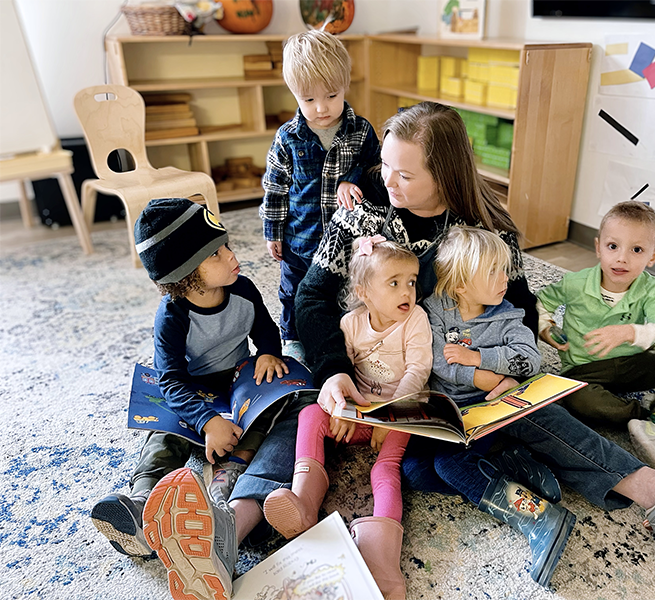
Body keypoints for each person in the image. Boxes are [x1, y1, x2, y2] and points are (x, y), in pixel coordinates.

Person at [294, 101, 655, 578]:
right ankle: (625, 488)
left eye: (405, 175)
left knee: (528, 410)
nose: (388, 182)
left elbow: (518, 307)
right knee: (428, 466)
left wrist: (500, 368)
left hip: (452, 368)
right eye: (386, 167)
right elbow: (310, 299)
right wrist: (332, 369)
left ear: (445, 173)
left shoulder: (488, 227)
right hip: (375, 373)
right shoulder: (362, 213)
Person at [90, 197, 288, 563]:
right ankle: (142, 506)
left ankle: (219, 502)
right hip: (190, 391)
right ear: (185, 275)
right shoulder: (172, 316)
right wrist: (207, 421)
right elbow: (171, 382)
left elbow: (266, 331)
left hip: (236, 382)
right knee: (163, 436)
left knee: (265, 420)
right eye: (214, 254)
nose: (231, 255)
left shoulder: (243, 290)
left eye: (225, 244)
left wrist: (268, 354)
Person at [263, 235, 432, 599]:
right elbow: (344, 373)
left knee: (384, 470)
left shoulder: (415, 320)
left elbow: (417, 372)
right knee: (311, 414)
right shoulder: (351, 324)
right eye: (394, 283)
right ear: (364, 292)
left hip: (399, 415)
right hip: (360, 412)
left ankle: (382, 559)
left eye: (411, 282)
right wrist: (342, 411)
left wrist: (390, 418)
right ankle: (304, 503)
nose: (407, 291)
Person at [420, 225, 575, 587]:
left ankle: (538, 518)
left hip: (488, 412)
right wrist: (489, 377)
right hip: (448, 410)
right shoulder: (435, 310)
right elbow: (436, 361)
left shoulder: (508, 315)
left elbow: (529, 361)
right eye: (493, 272)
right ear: (460, 285)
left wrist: (477, 357)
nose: (505, 279)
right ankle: (512, 466)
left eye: (504, 269)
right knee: (414, 474)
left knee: (449, 465)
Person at [537, 200, 655, 470]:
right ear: (598, 247)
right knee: (571, 398)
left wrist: (630, 332)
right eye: (612, 246)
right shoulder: (575, 283)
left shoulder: (652, 289)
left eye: (637, 249)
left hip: (632, 365)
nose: (622, 258)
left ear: (653, 256)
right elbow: (538, 302)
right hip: (583, 370)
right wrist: (546, 327)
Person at [260, 29, 381, 365]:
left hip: (346, 239)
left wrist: (350, 180)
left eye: (331, 95)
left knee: (339, 292)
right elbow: (275, 187)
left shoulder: (360, 130)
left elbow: (376, 172)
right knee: (292, 292)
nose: (322, 108)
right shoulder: (288, 137)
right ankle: (293, 337)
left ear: (345, 86)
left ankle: (336, 336)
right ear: (294, 94)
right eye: (308, 100)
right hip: (300, 238)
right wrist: (273, 231)